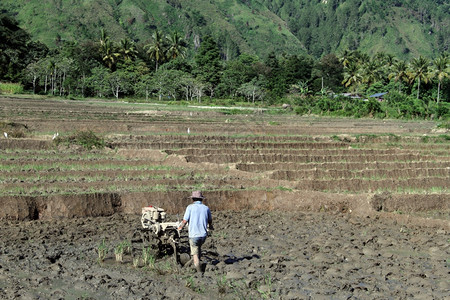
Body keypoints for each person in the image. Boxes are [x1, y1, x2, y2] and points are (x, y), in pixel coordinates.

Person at [178, 191, 213, 272]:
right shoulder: (206, 208)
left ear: (193, 199)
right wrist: (210, 226)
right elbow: (210, 220)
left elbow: (184, 221)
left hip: (194, 235)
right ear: (201, 199)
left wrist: (180, 228)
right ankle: (196, 264)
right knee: (198, 248)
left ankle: (199, 272)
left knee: (195, 254)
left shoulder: (190, 207)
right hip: (203, 235)